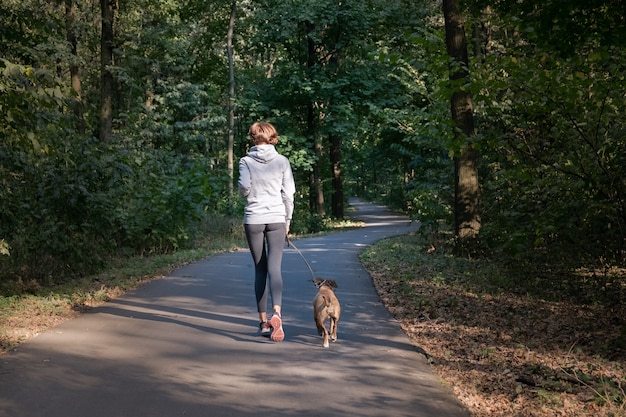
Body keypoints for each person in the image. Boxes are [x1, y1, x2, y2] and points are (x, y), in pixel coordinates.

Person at [238, 121, 295, 342]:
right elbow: (289, 193)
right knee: (275, 268)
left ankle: (263, 323)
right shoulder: (282, 161)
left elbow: (244, 189)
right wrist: (287, 219)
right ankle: (277, 313)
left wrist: (250, 191)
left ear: (253, 138)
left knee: (260, 269)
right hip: (276, 218)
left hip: (254, 218)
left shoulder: (245, 161)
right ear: (272, 137)